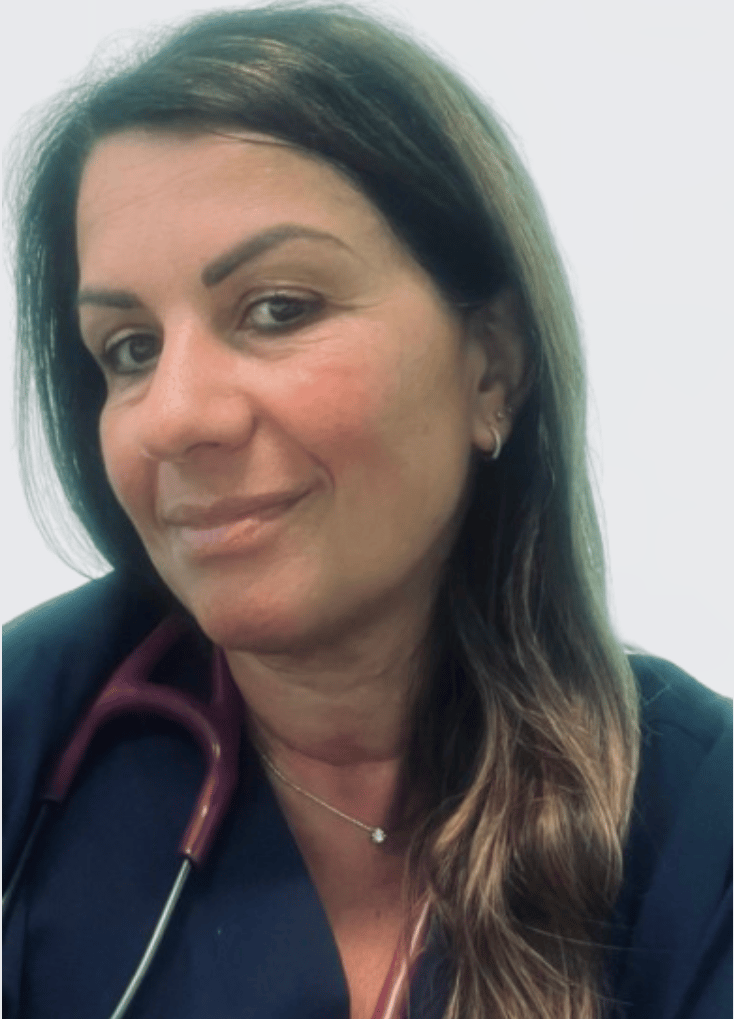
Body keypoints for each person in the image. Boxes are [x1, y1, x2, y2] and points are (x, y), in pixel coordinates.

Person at [2, 3, 731, 1018]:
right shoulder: (28, 728)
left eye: (278, 308)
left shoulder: (698, 822)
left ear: (493, 367)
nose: (173, 415)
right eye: (130, 348)